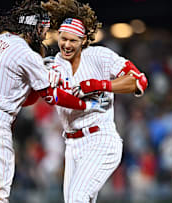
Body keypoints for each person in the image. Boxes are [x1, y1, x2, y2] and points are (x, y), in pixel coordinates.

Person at [0, 0, 109, 202]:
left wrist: (37, 79)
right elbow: (51, 96)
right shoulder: (25, 54)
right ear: (32, 28)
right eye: (42, 28)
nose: (44, 34)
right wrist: (86, 104)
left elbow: (23, 100)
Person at [41, 0, 149, 202]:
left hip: (101, 140)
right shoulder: (56, 64)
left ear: (83, 41)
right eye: (63, 39)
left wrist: (101, 85)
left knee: (77, 198)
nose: (66, 44)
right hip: (72, 144)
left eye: (73, 40)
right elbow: (50, 95)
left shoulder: (99, 56)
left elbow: (139, 81)